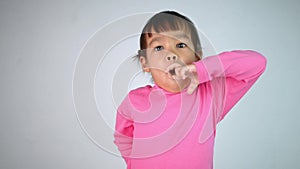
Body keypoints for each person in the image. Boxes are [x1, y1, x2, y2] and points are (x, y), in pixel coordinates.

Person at [113, 10, 267, 169]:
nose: (171, 55)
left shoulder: (210, 95)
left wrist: (203, 69)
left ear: (197, 56)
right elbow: (122, 137)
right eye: (159, 48)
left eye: (181, 45)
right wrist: (134, 163)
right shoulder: (134, 100)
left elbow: (257, 63)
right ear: (145, 63)